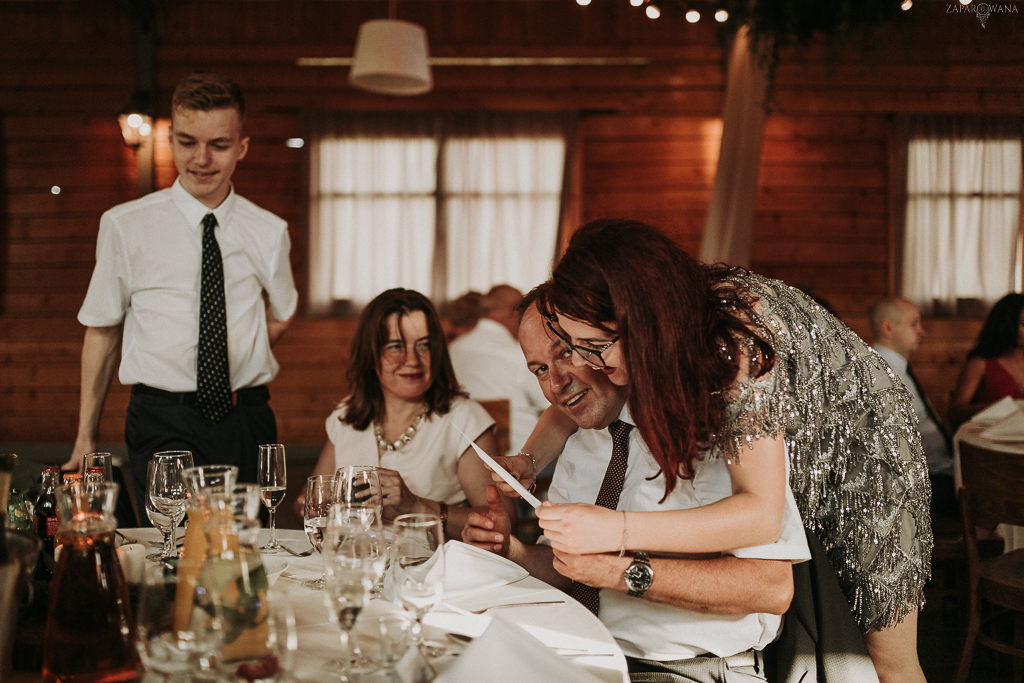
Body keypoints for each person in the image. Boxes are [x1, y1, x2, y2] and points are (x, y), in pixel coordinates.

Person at [498, 220, 932, 683]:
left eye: (596, 347)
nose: (589, 366)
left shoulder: (734, 344)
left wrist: (616, 530)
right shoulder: (650, 337)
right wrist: (527, 462)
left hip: (864, 448)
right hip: (783, 438)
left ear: (640, 321)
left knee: (882, 659)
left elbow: (761, 516)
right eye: (574, 349)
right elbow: (571, 401)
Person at [464, 291, 808, 682]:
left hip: (687, 670)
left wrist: (618, 573)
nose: (557, 382)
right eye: (539, 369)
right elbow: (569, 569)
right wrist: (512, 550)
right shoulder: (578, 443)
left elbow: (771, 587)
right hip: (581, 661)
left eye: (565, 353)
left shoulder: (708, 428)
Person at [68, 71, 298, 511]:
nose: (202, 159)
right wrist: (86, 435)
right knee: (173, 550)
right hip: (161, 416)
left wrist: (240, 354)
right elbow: (102, 330)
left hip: (246, 419)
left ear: (242, 147)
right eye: (188, 141)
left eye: (219, 144)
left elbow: (284, 311)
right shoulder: (124, 225)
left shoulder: (269, 231)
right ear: (170, 139)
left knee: (237, 554)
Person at [307, 288, 516, 537]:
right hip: (357, 566)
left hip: (434, 569)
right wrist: (308, 507)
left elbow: (503, 522)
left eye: (424, 345)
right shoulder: (347, 417)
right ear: (370, 354)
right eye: (396, 347)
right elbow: (313, 504)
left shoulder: (464, 418)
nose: (413, 360)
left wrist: (416, 505)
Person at [870, 297, 956, 516]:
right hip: (923, 484)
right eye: (914, 324)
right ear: (888, 327)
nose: (922, 332)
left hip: (939, 469)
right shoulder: (883, 374)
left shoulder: (897, 368)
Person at [449, 284, 548, 455]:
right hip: (521, 458)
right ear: (514, 311)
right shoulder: (519, 356)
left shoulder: (453, 350)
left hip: (464, 453)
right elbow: (551, 404)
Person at [949, 292, 1024, 427]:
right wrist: (997, 407)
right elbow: (955, 412)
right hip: (991, 437)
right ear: (1007, 326)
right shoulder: (981, 363)